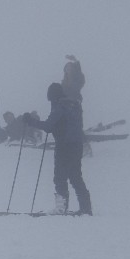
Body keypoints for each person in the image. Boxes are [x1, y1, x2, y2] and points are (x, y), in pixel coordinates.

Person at [23, 82, 92, 215]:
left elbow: (48, 126)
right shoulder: (75, 106)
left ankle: (61, 208)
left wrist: (30, 121)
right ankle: (86, 208)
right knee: (75, 176)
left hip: (64, 146)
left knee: (60, 177)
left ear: (52, 96)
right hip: (77, 145)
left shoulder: (60, 106)